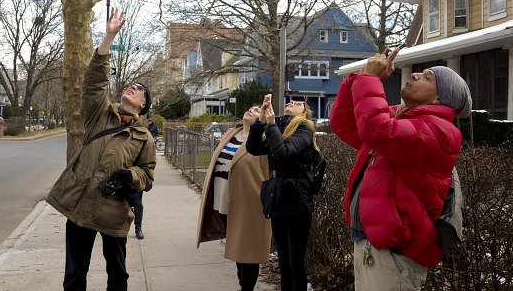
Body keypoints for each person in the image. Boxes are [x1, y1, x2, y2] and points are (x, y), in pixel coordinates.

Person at [330, 47, 472, 291]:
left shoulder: (439, 131)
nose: (415, 75)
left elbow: (375, 129)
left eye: (428, 78)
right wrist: (359, 79)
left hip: (396, 251)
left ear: (439, 99)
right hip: (371, 242)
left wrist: (371, 81)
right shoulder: (397, 117)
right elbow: (346, 125)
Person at [46, 7, 156, 291]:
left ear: (143, 105)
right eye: (131, 84)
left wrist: (129, 176)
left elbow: (147, 175)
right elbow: (94, 81)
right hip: (81, 206)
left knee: (117, 275)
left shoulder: (144, 137)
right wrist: (108, 37)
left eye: (140, 89)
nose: (134, 87)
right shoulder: (99, 114)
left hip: (114, 212)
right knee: (74, 276)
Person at [246, 95, 318, 291]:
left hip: (297, 199)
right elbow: (253, 148)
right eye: (291, 101)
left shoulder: (305, 128)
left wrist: (270, 126)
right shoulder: (279, 126)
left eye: (298, 103)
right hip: (278, 197)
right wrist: (261, 122)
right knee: (284, 260)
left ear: (304, 112)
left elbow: (284, 154)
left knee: (295, 260)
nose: (291, 102)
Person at [196, 106, 271, 291]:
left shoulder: (263, 141)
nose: (250, 111)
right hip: (224, 198)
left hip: (249, 203)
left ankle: (246, 287)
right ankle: (243, 285)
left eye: (256, 110)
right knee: (238, 247)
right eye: (250, 108)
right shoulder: (232, 133)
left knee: (248, 249)